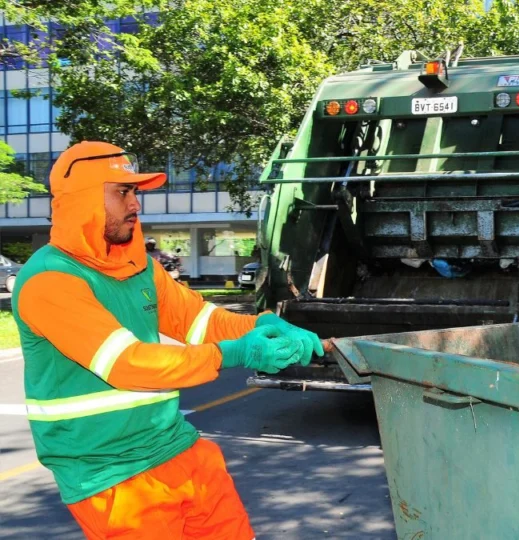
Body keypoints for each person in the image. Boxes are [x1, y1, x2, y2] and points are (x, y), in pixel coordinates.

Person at [11, 141, 323, 538]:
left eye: (135, 193)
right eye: (122, 192)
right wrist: (239, 352)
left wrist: (263, 327)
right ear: (83, 199)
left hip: (175, 447)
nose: (135, 204)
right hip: (110, 473)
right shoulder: (50, 280)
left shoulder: (137, 266)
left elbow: (200, 320)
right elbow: (129, 363)